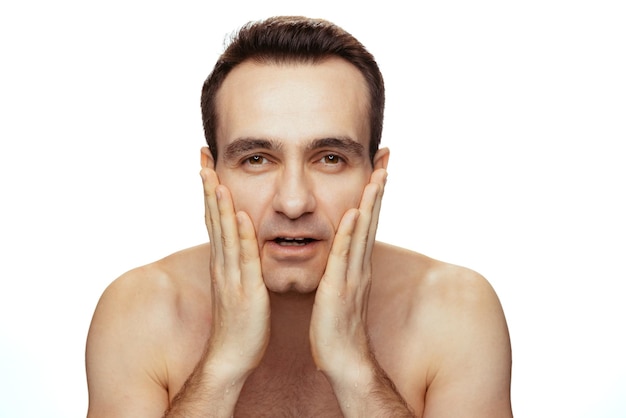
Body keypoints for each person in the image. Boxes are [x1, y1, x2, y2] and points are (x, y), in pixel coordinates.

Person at [85, 16, 512, 417]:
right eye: (256, 158)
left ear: (375, 173)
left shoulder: (454, 310)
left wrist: (355, 370)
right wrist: (222, 365)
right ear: (212, 173)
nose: (293, 202)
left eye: (329, 158)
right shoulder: (140, 311)